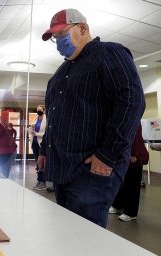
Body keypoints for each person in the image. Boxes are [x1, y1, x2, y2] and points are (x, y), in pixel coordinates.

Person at [38, 9, 145, 227]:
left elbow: (132, 103)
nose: (58, 42)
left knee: (84, 239)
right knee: (65, 232)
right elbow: (55, 116)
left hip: (91, 170)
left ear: (83, 28)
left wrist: (107, 155)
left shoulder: (109, 53)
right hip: (61, 168)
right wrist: (44, 151)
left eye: (61, 35)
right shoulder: (59, 74)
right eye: (55, 39)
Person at [109, 124, 149, 221]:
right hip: (123, 154)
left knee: (132, 184)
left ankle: (131, 212)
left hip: (133, 156)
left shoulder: (133, 117)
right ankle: (117, 205)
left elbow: (136, 137)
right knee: (121, 182)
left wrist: (134, 154)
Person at [27, 105, 47, 190]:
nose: (38, 111)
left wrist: (37, 134)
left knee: (41, 162)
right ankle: (39, 181)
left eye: (40, 110)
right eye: (37, 109)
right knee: (37, 163)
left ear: (44, 110)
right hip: (34, 143)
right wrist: (30, 129)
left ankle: (43, 182)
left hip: (41, 143)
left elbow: (47, 133)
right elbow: (32, 130)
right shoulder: (36, 119)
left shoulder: (46, 120)